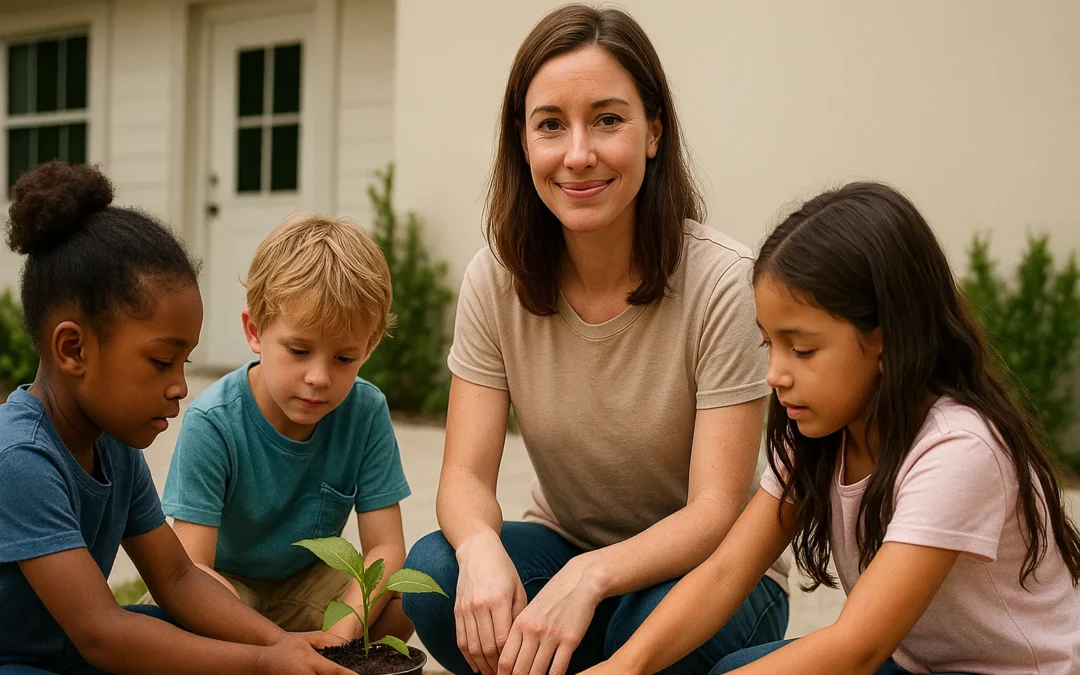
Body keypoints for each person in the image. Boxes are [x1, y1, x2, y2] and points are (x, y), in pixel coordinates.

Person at [402, 6, 790, 675]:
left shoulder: (723, 281)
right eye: (551, 124)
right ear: (523, 144)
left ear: (653, 132)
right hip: (563, 544)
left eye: (608, 119)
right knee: (437, 571)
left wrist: (591, 576)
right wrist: (480, 549)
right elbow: (464, 475)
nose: (578, 154)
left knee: (643, 631)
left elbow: (716, 509)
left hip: (711, 573)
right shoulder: (495, 279)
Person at [583, 182, 1080, 675]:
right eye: (768, 345)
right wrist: (623, 668)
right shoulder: (820, 436)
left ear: (886, 339)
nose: (776, 372)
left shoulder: (958, 449)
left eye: (802, 349)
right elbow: (723, 573)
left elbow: (856, 647)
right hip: (914, 664)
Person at [0, 161, 352, 674]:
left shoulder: (113, 445)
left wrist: (282, 645)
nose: (180, 387)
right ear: (73, 348)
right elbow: (102, 634)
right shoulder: (20, 459)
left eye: (184, 363)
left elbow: (180, 580)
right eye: (161, 362)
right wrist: (259, 663)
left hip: (70, 656)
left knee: (184, 629)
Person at [155, 214, 413, 641]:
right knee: (175, 626)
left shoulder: (365, 411)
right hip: (225, 587)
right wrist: (275, 647)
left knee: (408, 602)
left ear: (367, 349)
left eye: (343, 359)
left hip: (309, 585)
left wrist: (338, 638)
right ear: (255, 331)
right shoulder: (213, 422)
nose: (319, 377)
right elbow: (192, 567)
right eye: (298, 350)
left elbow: (385, 550)